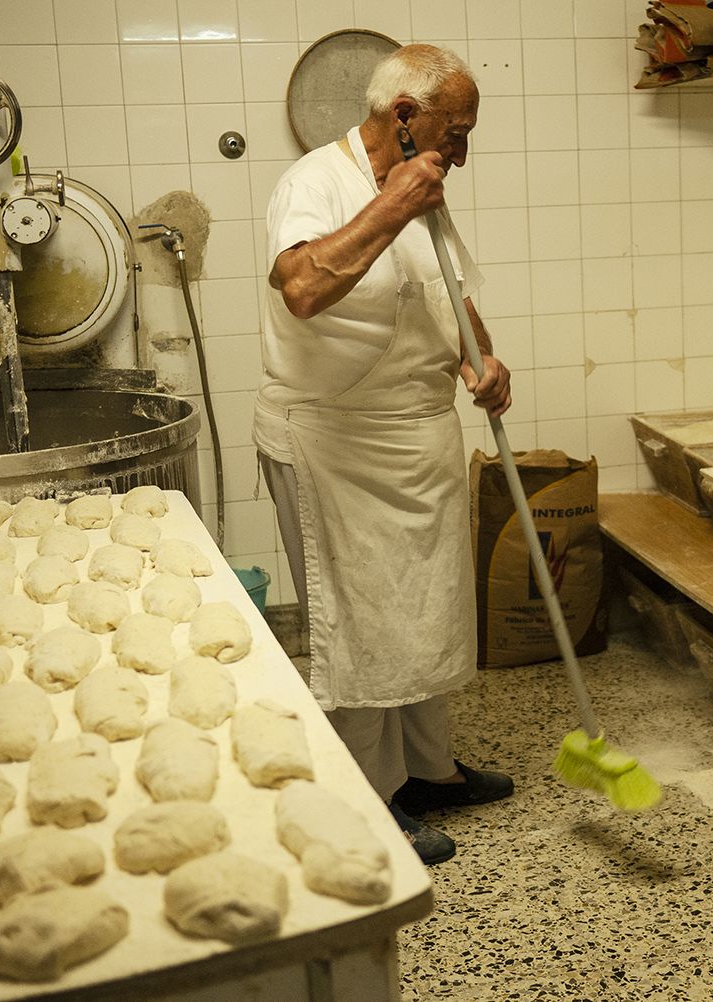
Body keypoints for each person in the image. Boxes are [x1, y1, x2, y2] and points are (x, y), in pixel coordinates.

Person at [255, 44, 514, 865]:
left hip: (416, 436)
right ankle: (369, 798)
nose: (463, 152)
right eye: (456, 131)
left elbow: (446, 285)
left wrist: (483, 357)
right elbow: (301, 288)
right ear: (404, 116)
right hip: (335, 441)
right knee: (360, 624)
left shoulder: (424, 186)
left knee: (426, 613)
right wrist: (394, 206)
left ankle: (429, 773)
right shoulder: (314, 184)